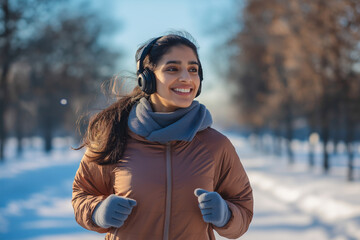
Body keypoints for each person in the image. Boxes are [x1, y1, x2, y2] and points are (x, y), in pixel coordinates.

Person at [72, 32, 253, 240]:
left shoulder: (216, 145)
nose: (186, 77)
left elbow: (243, 209)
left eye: (193, 69)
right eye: (172, 69)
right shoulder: (115, 136)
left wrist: (226, 215)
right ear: (147, 78)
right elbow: (82, 194)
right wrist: (97, 211)